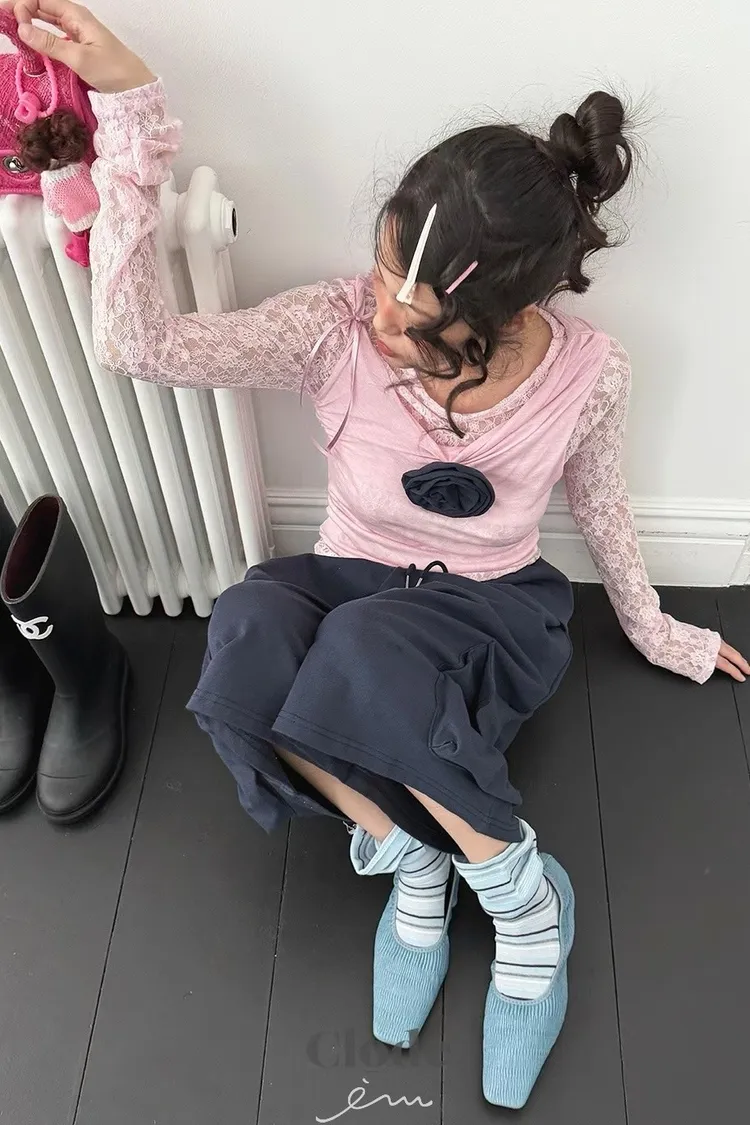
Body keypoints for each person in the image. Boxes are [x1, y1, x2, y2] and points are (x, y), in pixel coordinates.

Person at [13, 0, 749, 1108]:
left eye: (419, 316)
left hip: (486, 611)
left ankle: (523, 898)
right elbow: (136, 344)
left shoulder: (590, 373)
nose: (381, 314)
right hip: (351, 578)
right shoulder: (330, 326)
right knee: (247, 634)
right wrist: (130, 113)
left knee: (362, 650)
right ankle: (410, 849)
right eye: (383, 269)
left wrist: (651, 624)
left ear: (510, 311)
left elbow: (601, 502)